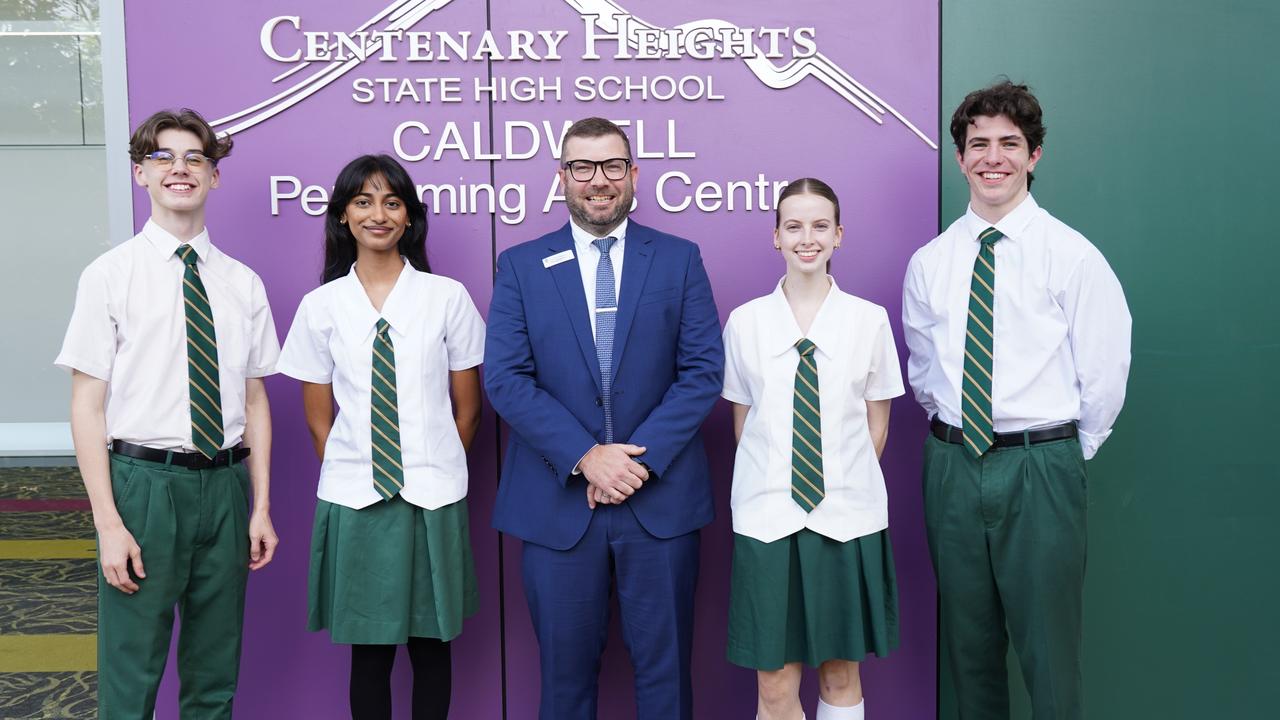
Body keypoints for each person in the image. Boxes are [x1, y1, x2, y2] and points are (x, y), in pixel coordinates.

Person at [902, 81, 1131, 719]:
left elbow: (1105, 369)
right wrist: (961, 440)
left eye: (1010, 144)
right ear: (959, 157)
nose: (992, 157)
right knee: (968, 650)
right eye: (979, 145)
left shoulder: (1073, 257)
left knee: (1049, 653)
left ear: (1034, 156)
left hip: (1041, 466)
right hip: (952, 466)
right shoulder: (932, 262)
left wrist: (1059, 453)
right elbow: (925, 371)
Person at [485, 117, 723, 720]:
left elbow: (701, 373)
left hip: (658, 504)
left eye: (612, 165)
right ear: (562, 177)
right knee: (564, 689)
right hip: (557, 507)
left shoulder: (678, 260)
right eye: (583, 167)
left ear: (633, 173)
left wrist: (632, 465)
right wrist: (587, 457)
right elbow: (506, 378)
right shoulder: (518, 265)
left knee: (666, 683)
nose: (599, 180)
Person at [55, 108, 280, 718]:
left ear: (214, 177)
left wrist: (259, 506)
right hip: (143, 487)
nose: (179, 169)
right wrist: (107, 522)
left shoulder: (243, 283)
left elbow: (254, 399)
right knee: (131, 673)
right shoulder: (108, 275)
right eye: (163, 158)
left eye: (194, 158)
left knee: (215, 672)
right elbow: (86, 404)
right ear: (140, 174)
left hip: (228, 485)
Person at [276, 154, 484, 720]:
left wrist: (430, 465)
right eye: (364, 201)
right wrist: (360, 469)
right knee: (368, 656)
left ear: (409, 217)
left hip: (432, 496)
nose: (379, 213)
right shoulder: (321, 306)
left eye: (392, 202)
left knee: (431, 647)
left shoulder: (447, 297)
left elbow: (467, 411)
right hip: (357, 499)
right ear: (343, 215)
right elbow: (319, 417)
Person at [722, 178, 902, 720]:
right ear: (775, 236)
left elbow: (877, 425)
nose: (807, 238)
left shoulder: (868, 320)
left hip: (845, 516)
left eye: (820, 225)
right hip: (767, 518)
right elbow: (743, 421)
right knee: (775, 683)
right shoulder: (745, 322)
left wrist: (835, 484)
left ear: (839, 235)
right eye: (794, 226)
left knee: (840, 671)